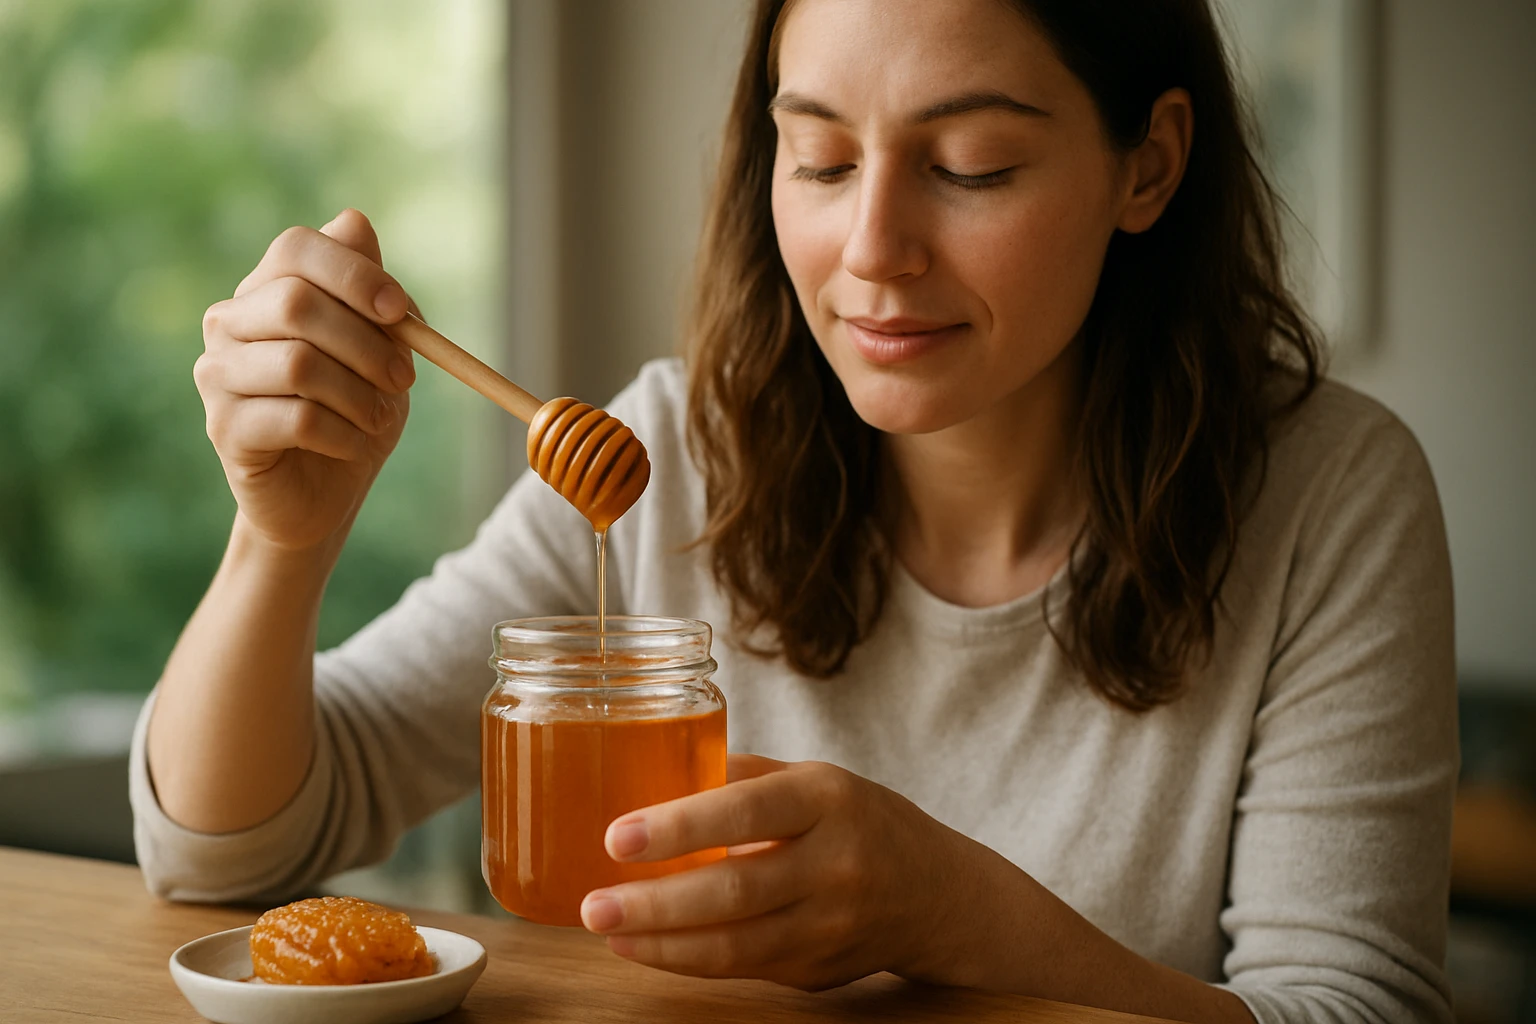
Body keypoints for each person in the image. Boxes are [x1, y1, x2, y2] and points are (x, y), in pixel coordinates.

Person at [131, 1, 1457, 1021]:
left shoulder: (1330, 496)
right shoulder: (667, 457)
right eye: (818, 158)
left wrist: (949, 917)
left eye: (976, 164)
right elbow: (227, 848)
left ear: (1148, 166)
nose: (873, 247)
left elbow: (1353, 1008)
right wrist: (279, 542)